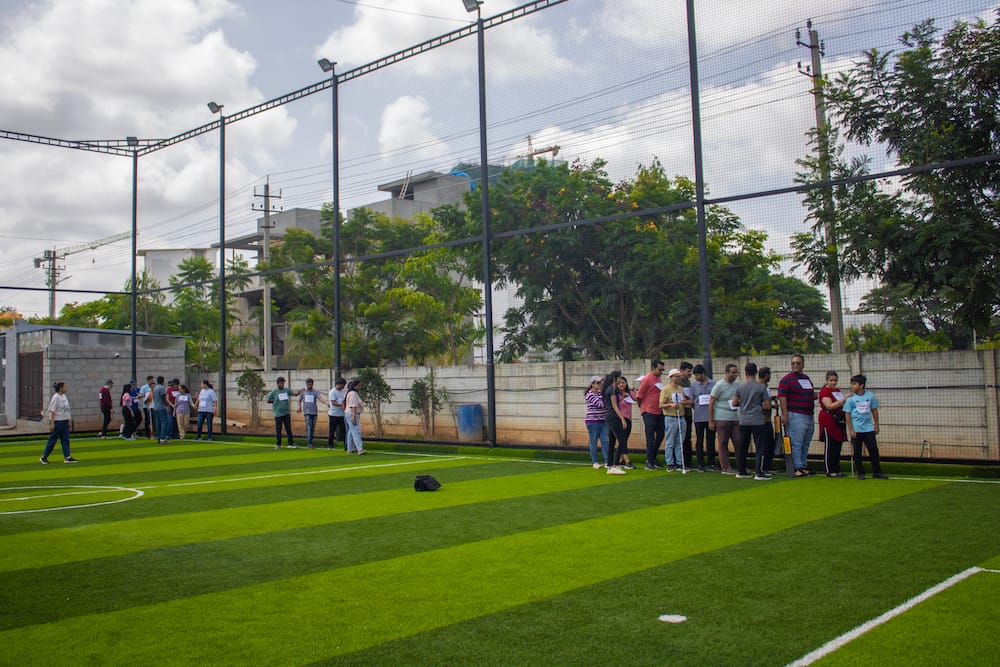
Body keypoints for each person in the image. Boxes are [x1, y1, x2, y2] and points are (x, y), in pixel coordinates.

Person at [844, 374, 888, 480]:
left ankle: (877, 471)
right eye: (852, 384)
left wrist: (876, 424)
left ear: (861, 385)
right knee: (857, 452)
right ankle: (860, 472)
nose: (852, 386)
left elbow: (874, 410)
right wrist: (851, 429)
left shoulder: (870, 396)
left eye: (854, 384)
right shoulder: (850, 399)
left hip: (868, 428)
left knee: (873, 450)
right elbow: (847, 414)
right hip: (856, 429)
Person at [778, 354, 817, 477]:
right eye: (793, 363)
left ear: (803, 365)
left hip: (808, 414)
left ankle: (803, 464)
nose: (795, 365)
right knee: (796, 442)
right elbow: (782, 397)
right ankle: (796, 466)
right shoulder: (786, 379)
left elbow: (810, 393)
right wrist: (785, 415)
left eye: (798, 363)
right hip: (795, 414)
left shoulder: (806, 378)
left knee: (806, 442)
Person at [708, 363, 741, 475]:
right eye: (733, 372)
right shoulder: (719, 385)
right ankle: (725, 467)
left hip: (735, 417)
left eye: (736, 372)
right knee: (723, 443)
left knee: (738, 442)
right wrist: (711, 420)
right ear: (726, 373)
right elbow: (711, 402)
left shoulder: (737, 385)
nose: (735, 375)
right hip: (721, 418)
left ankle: (741, 465)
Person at [635, 359, 666, 470]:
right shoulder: (647, 379)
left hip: (659, 411)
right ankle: (649, 460)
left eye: (662, 369)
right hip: (649, 411)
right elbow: (639, 395)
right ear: (653, 368)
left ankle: (653, 457)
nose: (661, 371)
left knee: (661, 433)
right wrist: (642, 408)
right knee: (650, 436)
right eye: (659, 369)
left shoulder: (658, 378)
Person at [818, 371, 848, 477]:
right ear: (827, 380)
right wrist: (844, 399)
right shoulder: (824, 392)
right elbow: (829, 406)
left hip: (839, 420)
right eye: (831, 380)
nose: (833, 383)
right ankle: (829, 470)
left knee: (837, 445)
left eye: (835, 381)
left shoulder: (837, 391)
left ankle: (836, 468)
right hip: (828, 420)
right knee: (830, 445)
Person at [40, 381, 78, 464]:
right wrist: (52, 423)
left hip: (64, 421)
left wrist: (68, 420)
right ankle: (44, 456)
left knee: (65, 439)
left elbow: (67, 410)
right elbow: (52, 411)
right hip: (58, 422)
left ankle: (67, 456)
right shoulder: (56, 397)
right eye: (65, 387)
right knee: (53, 440)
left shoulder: (64, 396)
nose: (66, 388)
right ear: (61, 388)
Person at [659, 368, 688, 471]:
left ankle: (679, 462)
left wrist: (684, 403)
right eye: (676, 376)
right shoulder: (665, 389)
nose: (678, 378)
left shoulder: (681, 389)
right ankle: (670, 463)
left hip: (681, 416)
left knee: (679, 441)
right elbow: (660, 405)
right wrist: (671, 405)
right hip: (670, 417)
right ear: (671, 377)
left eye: (679, 376)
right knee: (670, 442)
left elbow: (683, 401)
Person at [690, 364, 716, 471]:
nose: (696, 377)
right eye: (695, 375)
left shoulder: (713, 384)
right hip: (699, 417)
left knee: (711, 440)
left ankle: (711, 462)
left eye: (697, 375)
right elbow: (692, 400)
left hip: (710, 417)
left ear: (703, 374)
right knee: (699, 440)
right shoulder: (694, 385)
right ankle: (700, 462)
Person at [601, 370, 628, 475]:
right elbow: (614, 406)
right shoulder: (612, 389)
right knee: (622, 440)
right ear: (614, 379)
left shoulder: (611, 389)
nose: (620, 380)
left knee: (612, 441)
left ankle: (609, 465)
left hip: (609, 416)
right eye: (619, 378)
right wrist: (622, 418)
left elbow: (614, 403)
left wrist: (622, 399)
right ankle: (615, 465)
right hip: (613, 417)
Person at [610, 375, 637, 469]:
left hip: (628, 419)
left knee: (624, 439)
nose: (622, 385)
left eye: (623, 383)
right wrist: (622, 398)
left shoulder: (629, 393)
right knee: (622, 440)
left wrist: (632, 391)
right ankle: (627, 461)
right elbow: (614, 405)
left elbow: (636, 398)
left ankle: (620, 460)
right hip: (620, 419)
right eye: (620, 383)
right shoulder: (615, 394)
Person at [584, 375, 608, 469]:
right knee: (593, 441)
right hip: (593, 421)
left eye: (600, 383)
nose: (600, 384)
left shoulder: (600, 393)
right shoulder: (590, 394)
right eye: (598, 383)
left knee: (605, 441)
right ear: (592, 384)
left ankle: (607, 461)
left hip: (603, 420)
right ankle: (595, 462)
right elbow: (601, 404)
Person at [267, 376, 298, 450]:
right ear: (277, 384)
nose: (282, 384)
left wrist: (300, 391)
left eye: (283, 383)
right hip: (278, 414)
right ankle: (278, 444)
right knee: (279, 429)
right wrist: (274, 401)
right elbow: (268, 400)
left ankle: (290, 443)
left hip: (286, 413)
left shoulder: (286, 390)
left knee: (288, 429)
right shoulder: (274, 392)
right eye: (281, 383)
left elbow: (295, 394)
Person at [297, 378, 327, 449]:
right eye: (308, 384)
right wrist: (299, 407)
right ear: (306, 384)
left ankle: (311, 442)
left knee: (312, 428)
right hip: (307, 412)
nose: (309, 385)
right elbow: (299, 399)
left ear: (312, 384)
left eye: (310, 384)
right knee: (309, 427)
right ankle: (309, 444)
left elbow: (320, 398)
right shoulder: (303, 392)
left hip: (314, 412)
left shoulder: (315, 392)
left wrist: (326, 402)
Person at [678, 361, 695, 468]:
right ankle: (681, 461)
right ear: (682, 371)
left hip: (688, 413)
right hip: (681, 413)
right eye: (688, 371)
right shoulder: (679, 382)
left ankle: (688, 461)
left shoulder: (689, 383)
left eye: (691, 371)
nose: (690, 373)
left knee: (688, 437)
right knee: (681, 438)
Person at [344, 379, 366, 455]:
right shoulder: (353, 393)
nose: (360, 387)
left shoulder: (352, 393)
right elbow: (353, 406)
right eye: (359, 385)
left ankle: (350, 449)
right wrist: (353, 416)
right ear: (354, 386)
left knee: (351, 431)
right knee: (356, 432)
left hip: (349, 413)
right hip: (352, 414)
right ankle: (360, 449)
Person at [327, 377, 348, 450]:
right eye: (343, 385)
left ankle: (346, 445)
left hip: (342, 414)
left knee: (344, 430)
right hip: (333, 414)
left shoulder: (344, 391)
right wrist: (341, 405)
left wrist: (344, 404)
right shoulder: (332, 392)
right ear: (339, 384)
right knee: (332, 430)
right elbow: (333, 402)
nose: (343, 387)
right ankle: (330, 445)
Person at [152, 375, 171, 443]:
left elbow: (153, 398)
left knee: (158, 423)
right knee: (164, 422)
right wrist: (166, 406)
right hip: (161, 407)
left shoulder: (155, 388)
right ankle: (163, 437)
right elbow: (163, 398)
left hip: (156, 407)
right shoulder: (162, 388)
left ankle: (159, 437)